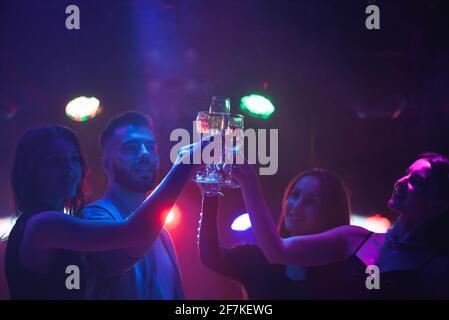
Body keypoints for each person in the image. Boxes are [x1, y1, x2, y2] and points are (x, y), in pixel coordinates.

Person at [5, 124, 199, 299]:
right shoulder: (43, 225)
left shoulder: (52, 223)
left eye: (74, 159)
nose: (69, 168)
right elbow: (133, 234)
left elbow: (128, 251)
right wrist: (183, 166)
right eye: (55, 160)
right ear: (32, 170)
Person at [232, 153, 449, 299]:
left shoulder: (437, 268)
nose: (401, 182)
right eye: (406, 173)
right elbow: (276, 251)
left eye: (417, 181)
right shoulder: (354, 239)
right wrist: (248, 183)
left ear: (439, 204)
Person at [198, 169, 351, 299]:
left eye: (310, 202)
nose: (297, 206)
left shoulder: (345, 273)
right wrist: (210, 193)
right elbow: (211, 256)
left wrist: (249, 180)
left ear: (331, 214)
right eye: (295, 195)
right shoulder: (258, 258)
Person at [81, 111, 184, 299]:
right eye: (131, 148)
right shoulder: (93, 217)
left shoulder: (162, 233)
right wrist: (184, 168)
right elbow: (116, 256)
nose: (144, 153)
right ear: (105, 164)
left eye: (150, 147)